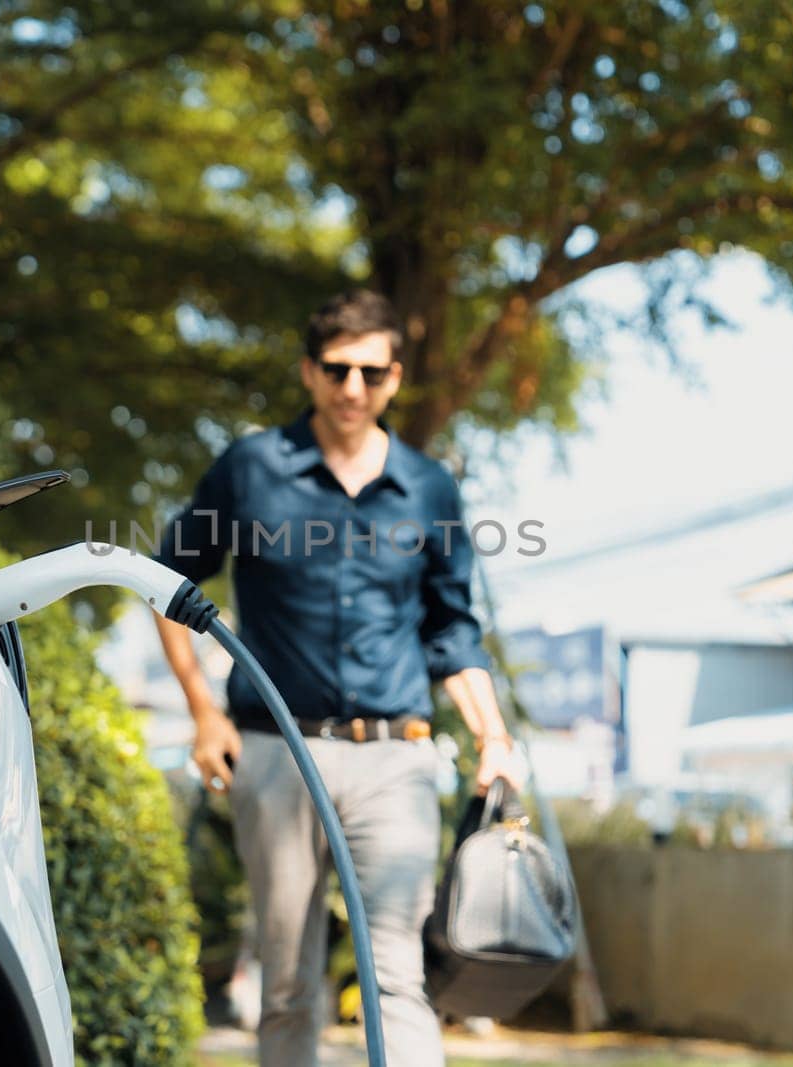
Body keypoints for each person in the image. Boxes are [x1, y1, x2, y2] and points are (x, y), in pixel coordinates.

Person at [152, 288, 519, 1067]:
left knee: (398, 975)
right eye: (337, 369)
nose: (354, 388)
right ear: (309, 373)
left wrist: (494, 736)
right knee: (288, 982)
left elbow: (452, 629)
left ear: (395, 380)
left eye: (372, 373)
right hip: (276, 751)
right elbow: (167, 584)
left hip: (396, 755)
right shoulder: (251, 469)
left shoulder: (430, 488)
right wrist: (203, 714)